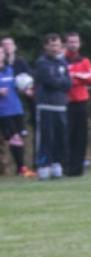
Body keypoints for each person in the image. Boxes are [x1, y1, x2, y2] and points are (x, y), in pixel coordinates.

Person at [33, 33, 71, 180]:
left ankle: (56, 165)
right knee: (46, 137)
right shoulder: (42, 62)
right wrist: (60, 82)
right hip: (46, 106)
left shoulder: (62, 63)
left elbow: (68, 83)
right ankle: (43, 166)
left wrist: (60, 82)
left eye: (57, 45)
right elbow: (50, 81)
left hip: (61, 105)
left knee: (60, 137)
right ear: (45, 46)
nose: (55, 48)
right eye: (51, 45)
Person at [64, 32, 91, 176]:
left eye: (76, 42)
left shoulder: (84, 60)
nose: (73, 44)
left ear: (80, 43)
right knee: (67, 135)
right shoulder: (61, 60)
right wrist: (79, 78)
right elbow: (64, 79)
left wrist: (75, 77)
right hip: (66, 102)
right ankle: (67, 165)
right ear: (65, 43)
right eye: (70, 42)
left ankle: (78, 167)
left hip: (81, 101)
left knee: (81, 135)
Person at [0, 43, 33, 176]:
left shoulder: (10, 70)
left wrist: (25, 88)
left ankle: (20, 167)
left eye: (1, 53)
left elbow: (18, 86)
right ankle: (21, 168)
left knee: (20, 138)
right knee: (15, 138)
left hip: (17, 109)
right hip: (4, 111)